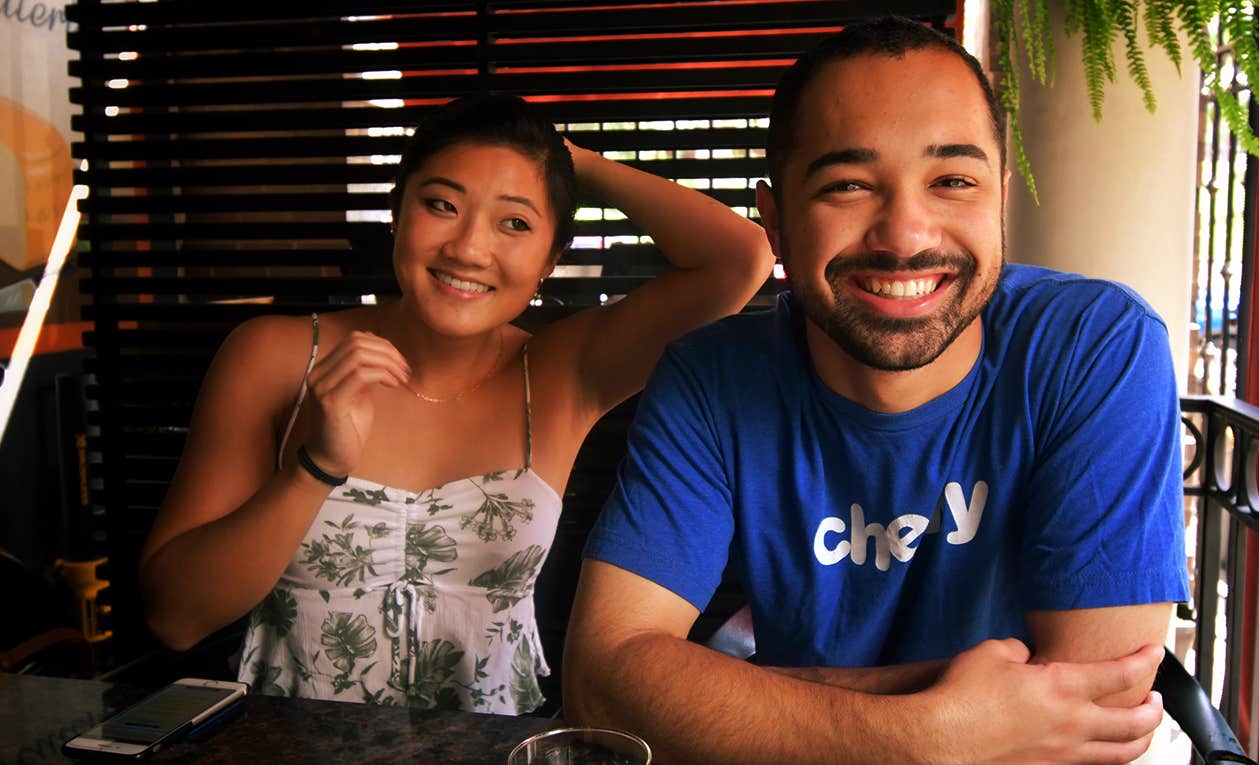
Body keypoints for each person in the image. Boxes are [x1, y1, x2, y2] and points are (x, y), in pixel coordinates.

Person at [564, 15, 1189, 764]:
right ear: (776, 220)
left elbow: (1094, 708)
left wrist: (742, 696)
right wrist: (935, 730)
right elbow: (600, 681)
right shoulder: (712, 378)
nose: (904, 233)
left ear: (1000, 199)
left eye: (953, 180)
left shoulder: (1095, 345)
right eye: (849, 185)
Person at [137, 94, 773, 714]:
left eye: (515, 223)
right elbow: (175, 617)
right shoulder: (273, 356)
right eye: (442, 205)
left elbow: (741, 258)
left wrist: (568, 160)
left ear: (551, 259)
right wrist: (316, 467)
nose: (469, 248)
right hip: (289, 751)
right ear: (397, 211)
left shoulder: (560, 372)